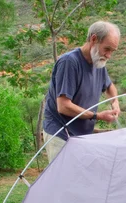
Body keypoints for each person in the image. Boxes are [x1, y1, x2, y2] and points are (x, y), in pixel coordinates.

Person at [42, 21, 121, 162]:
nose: (108, 55)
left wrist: (115, 101)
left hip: (81, 136)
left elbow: (109, 87)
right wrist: (97, 116)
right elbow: (63, 106)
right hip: (61, 134)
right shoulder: (69, 62)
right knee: (64, 181)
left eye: (112, 51)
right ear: (94, 39)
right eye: (107, 49)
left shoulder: (99, 62)